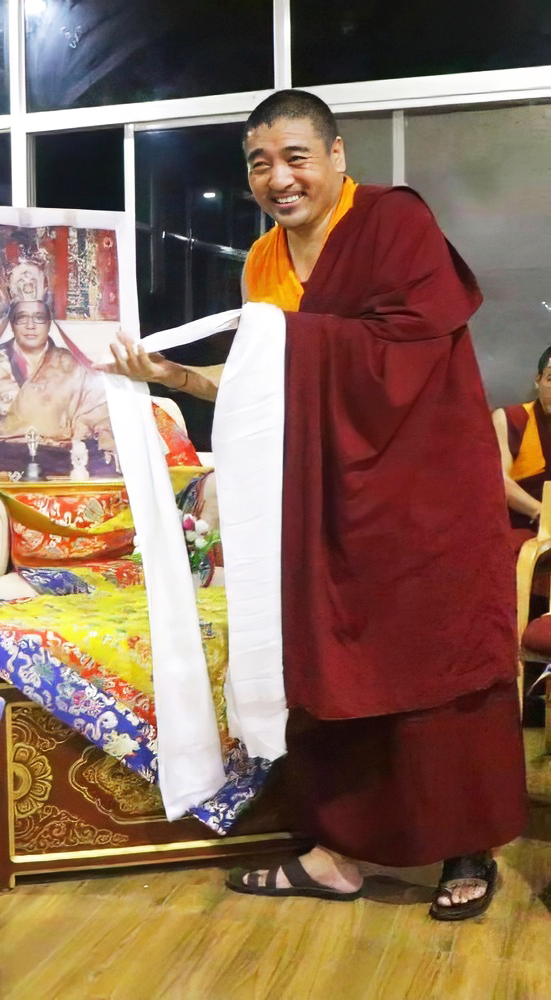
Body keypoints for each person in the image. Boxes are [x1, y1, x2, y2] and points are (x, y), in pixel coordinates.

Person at [101, 89, 527, 921]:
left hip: (421, 486)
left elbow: (408, 346)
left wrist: (288, 344)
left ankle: (462, 848)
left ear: (336, 156)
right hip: (323, 499)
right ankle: (333, 852)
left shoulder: (393, 222)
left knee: (435, 657)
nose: (278, 177)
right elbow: (260, 380)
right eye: (258, 162)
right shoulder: (263, 262)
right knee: (327, 658)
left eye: (295, 155)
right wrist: (173, 378)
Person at [0, 298, 116, 478]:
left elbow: (95, 412)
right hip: (4, 454)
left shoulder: (71, 365)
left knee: (102, 461)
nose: (30, 325)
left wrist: (105, 436)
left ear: (48, 324)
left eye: (38, 317)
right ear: (12, 324)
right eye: (22, 317)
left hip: (58, 456)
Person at [492, 346, 551, 550]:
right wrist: (541, 512)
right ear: (538, 380)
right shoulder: (511, 419)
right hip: (522, 530)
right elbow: (500, 482)